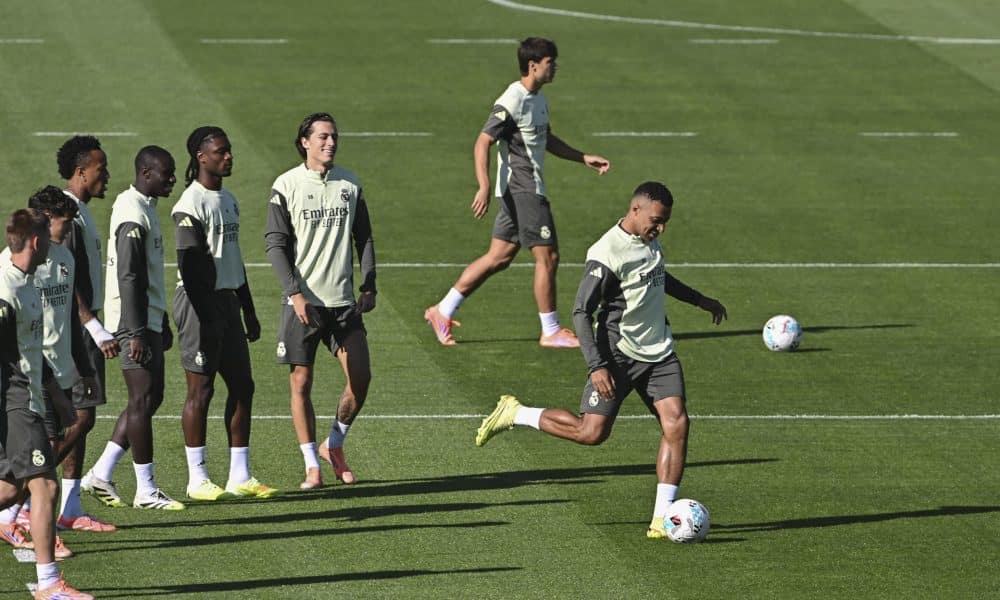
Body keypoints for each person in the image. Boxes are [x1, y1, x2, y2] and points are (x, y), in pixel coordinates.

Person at [475, 181, 728, 539]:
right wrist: (597, 366)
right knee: (590, 433)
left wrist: (701, 300)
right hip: (618, 356)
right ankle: (516, 413)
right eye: (657, 220)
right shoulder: (606, 253)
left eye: (665, 222)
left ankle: (660, 520)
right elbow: (581, 312)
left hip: (659, 353)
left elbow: (656, 276)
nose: (661, 229)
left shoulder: (646, 239)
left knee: (677, 424)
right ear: (635, 209)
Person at [425, 36, 611, 348]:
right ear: (533, 65)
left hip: (522, 190)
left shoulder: (538, 100)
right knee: (548, 256)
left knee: (499, 257)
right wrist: (483, 185)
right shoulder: (512, 99)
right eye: (551, 63)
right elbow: (483, 140)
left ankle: (442, 310)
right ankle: (549, 329)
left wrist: (582, 158)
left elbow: (546, 139)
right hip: (523, 190)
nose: (555, 68)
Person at [265, 113, 376, 489]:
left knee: (360, 378)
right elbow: (276, 245)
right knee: (301, 383)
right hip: (304, 304)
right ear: (305, 142)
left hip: (343, 303)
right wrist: (295, 294)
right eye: (323, 137)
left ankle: (335, 444)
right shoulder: (286, 185)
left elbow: (364, 237)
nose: (331, 143)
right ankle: (311, 463)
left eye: (334, 137)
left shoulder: (350, 183)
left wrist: (370, 283)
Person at [173, 126, 276, 501]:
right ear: (201, 157)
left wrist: (247, 309)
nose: (228, 156)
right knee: (201, 390)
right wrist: (208, 313)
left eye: (229, 150)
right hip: (199, 304)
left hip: (227, 303)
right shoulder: (190, 203)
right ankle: (196, 478)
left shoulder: (229, 199)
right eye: (221, 152)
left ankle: (239, 475)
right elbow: (188, 267)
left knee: (243, 385)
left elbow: (234, 259)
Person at [83, 146, 183, 510]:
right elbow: (127, 275)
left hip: (147, 317)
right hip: (131, 322)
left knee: (152, 396)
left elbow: (148, 275)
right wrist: (137, 331)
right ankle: (146, 489)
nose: (173, 178)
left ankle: (101, 473)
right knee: (141, 399)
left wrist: (160, 320)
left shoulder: (146, 207)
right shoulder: (130, 211)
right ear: (146, 173)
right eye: (167, 173)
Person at [0, 208, 93, 599]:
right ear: (36, 242)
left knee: (8, 490)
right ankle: (49, 584)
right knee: (44, 487)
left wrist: (55, 392)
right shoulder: (6, 292)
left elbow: (32, 347)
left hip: (33, 394)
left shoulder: (26, 281)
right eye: (48, 243)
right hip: (16, 400)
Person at [58, 136, 122, 525]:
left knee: (83, 416)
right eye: (101, 168)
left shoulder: (82, 212)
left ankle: (69, 508)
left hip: (84, 328)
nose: (107, 175)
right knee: (80, 417)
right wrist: (93, 325)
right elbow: (67, 277)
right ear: (81, 171)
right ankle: (20, 494)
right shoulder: (68, 218)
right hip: (76, 331)